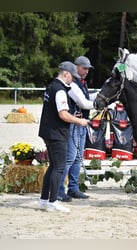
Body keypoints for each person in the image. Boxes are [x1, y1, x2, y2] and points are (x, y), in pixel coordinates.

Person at [37, 61, 89, 212]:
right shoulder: (60, 90)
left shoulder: (51, 86)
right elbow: (63, 114)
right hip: (57, 133)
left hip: (47, 131)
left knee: (53, 166)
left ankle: (43, 200)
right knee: (59, 167)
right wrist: (80, 121)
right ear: (66, 73)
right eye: (72, 77)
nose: (73, 80)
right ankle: (53, 201)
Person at [58, 56, 97, 202]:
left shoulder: (82, 83)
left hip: (81, 124)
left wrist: (102, 95)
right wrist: (102, 103)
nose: (86, 71)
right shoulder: (73, 83)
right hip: (74, 124)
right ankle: (59, 189)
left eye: (87, 68)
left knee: (77, 158)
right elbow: (84, 103)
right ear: (76, 66)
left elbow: (88, 97)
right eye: (84, 68)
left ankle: (73, 188)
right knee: (69, 158)